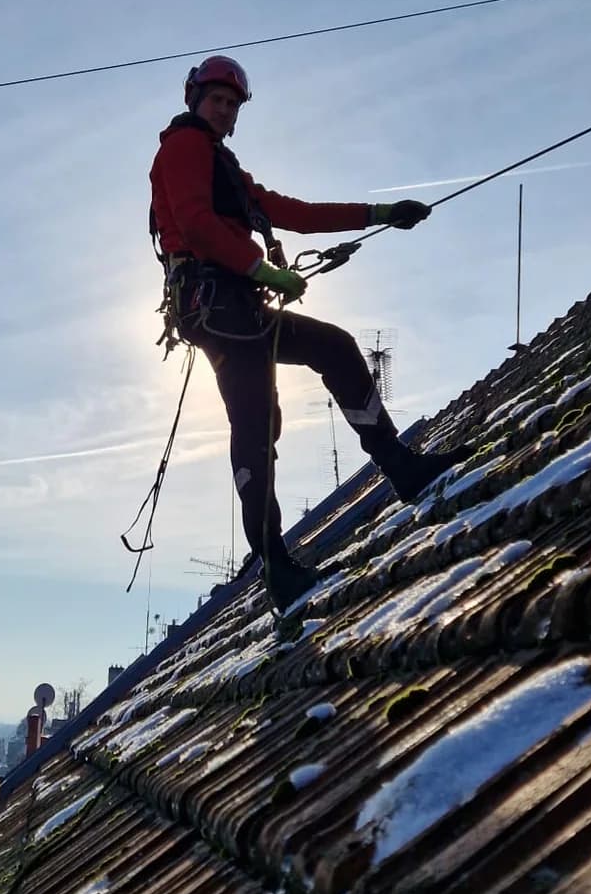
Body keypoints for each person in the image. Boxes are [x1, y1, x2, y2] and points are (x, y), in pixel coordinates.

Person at [150, 55, 457, 612]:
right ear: (195, 99)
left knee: (311, 369)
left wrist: (378, 212)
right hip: (221, 305)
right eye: (216, 100)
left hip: (233, 306)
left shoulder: (226, 167)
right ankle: (277, 564)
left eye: (232, 103)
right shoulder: (184, 147)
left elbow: (291, 211)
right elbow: (194, 222)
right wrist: (262, 271)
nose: (224, 110)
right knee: (258, 418)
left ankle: (395, 471)